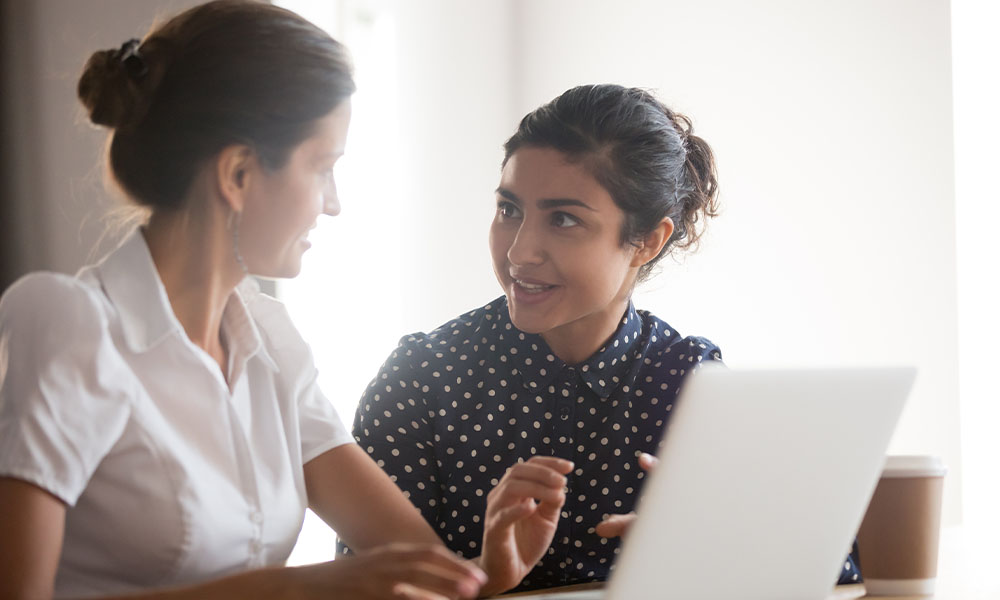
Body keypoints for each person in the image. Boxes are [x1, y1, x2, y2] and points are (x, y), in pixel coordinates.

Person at [0, 2, 534, 598]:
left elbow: (414, 564)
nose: (333, 203)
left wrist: (487, 572)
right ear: (237, 174)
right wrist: (297, 590)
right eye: (323, 167)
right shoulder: (69, 322)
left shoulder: (269, 339)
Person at [349, 84, 862, 591]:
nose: (520, 252)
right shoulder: (422, 378)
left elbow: (838, 565)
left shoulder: (692, 383)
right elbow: (361, 586)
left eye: (564, 219)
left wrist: (719, 552)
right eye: (509, 210)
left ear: (646, 241)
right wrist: (486, 569)